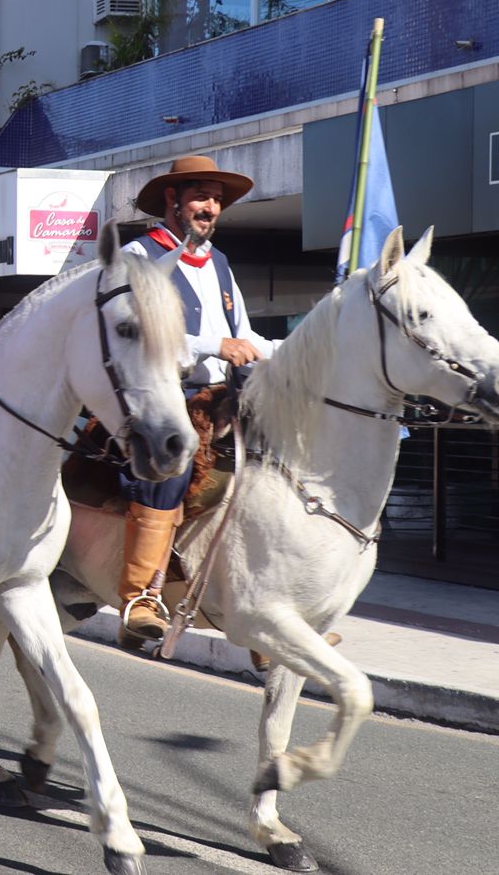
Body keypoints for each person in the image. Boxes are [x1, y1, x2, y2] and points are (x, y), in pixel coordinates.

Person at [116, 155, 280, 642]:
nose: (210, 207)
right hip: (167, 393)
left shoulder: (221, 263)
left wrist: (301, 349)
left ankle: (265, 605)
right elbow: (138, 333)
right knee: (174, 463)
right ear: (173, 200)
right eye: (200, 196)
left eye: (216, 199)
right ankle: (140, 594)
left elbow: (243, 334)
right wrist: (215, 346)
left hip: (226, 395)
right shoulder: (140, 257)